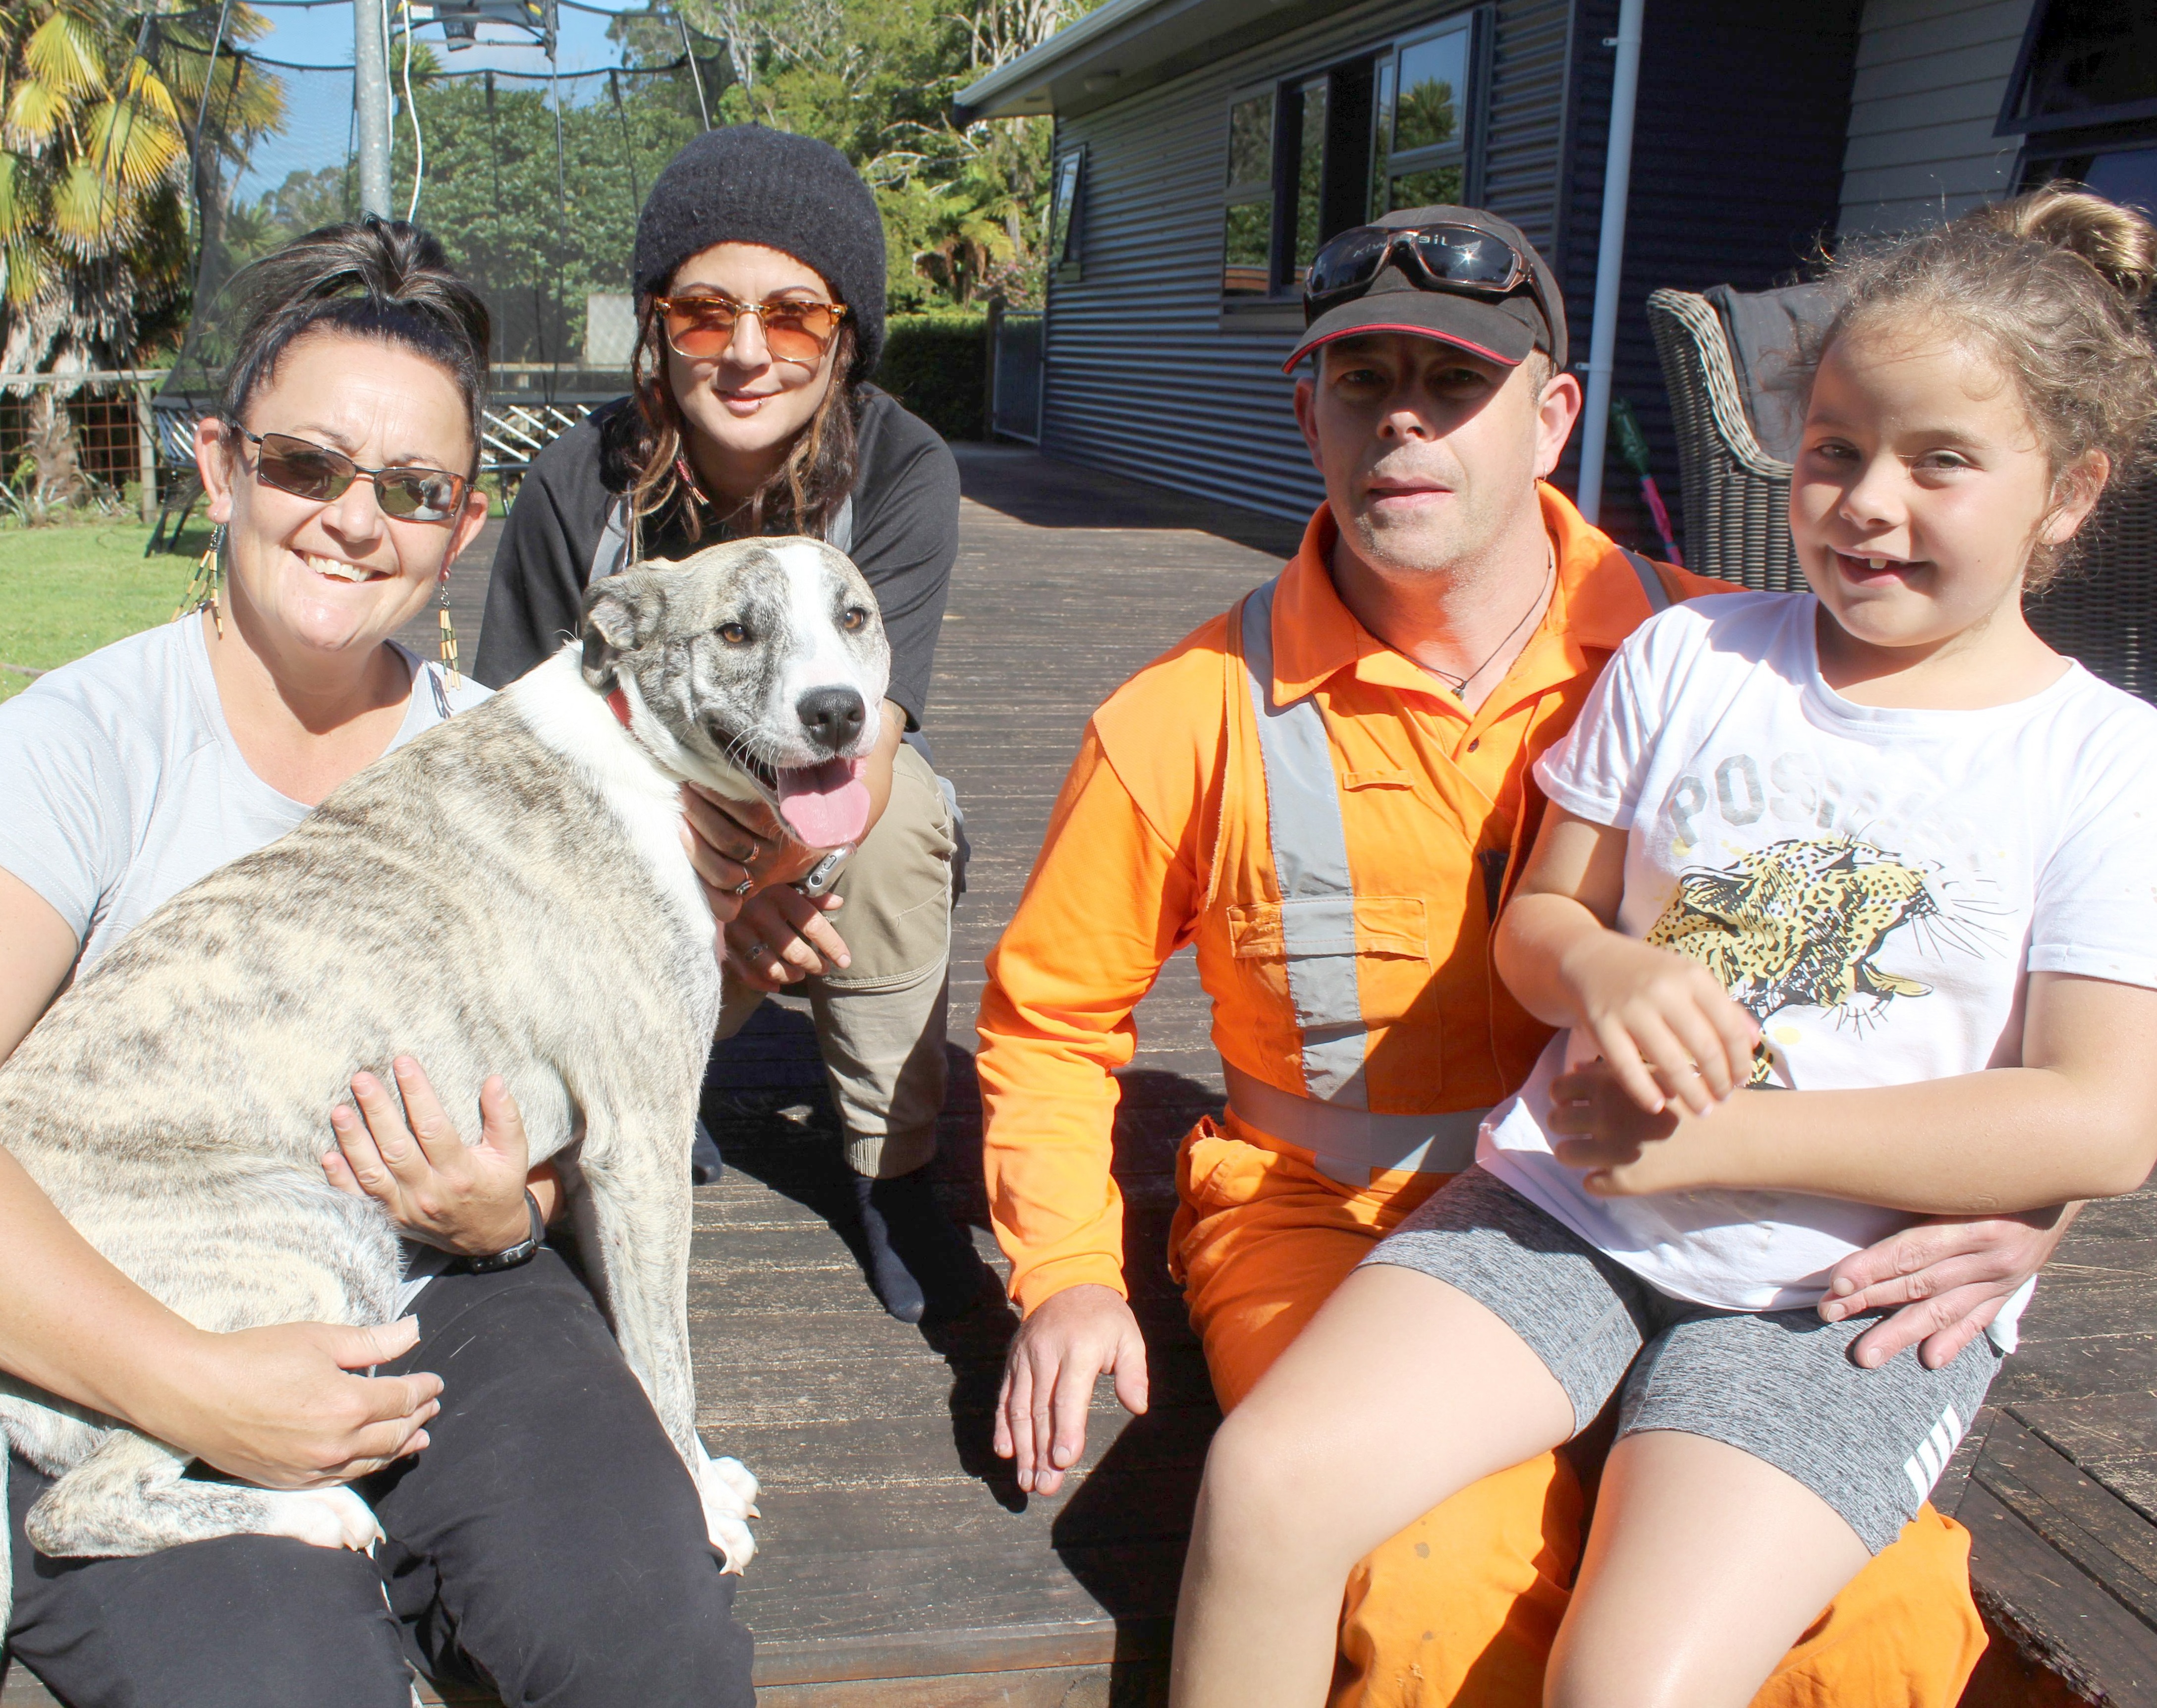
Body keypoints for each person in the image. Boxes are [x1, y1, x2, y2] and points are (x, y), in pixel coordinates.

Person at [974, 204, 2082, 1705]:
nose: (1403, 425)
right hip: (1344, 1218)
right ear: (1308, 411)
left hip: (1754, 1241)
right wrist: (1065, 1276)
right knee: (1450, 1598)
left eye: (1456, 383)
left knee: (1872, 1628)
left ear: (1552, 417)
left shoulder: (1722, 660)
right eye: (1361, 383)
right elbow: (1050, 1027)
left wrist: (2032, 1202)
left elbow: (2004, 1013)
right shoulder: (1184, 715)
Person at [0, 218, 753, 1708]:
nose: (356, 520)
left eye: (412, 491)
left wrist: (515, 1205)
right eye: (304, 467)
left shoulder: (501, 757)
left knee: (648, 1635)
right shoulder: (79, 747)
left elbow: (591, 1112)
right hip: (156, 1293)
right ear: (217, 467)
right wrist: (190, 1386)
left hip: (441, 1279)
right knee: (288, 1684)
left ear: (461, 529)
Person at [476, 123, 987, 1324]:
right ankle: (626, 1098)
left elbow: (868, 732)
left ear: (846, 333)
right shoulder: (575, 485)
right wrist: (703, 920)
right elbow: (514, 745)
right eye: (707, 313)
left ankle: (887, 1164)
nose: (749, 353)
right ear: (658, 324)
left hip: (807, 808)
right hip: (611, 823)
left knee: (900, 813)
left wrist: (759, 903)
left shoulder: (902, 466)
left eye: (795, 315)